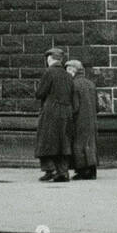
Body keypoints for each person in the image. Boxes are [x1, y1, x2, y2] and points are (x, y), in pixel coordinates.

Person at [35, 48, 76, 181]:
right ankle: (63, 172)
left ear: (50, 59)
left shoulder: (49, 72)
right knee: (63, 142)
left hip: (51, 111)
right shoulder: (68, 76)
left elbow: (40, 93)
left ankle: (49, 170)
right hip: (66, 112)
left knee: (46, 141)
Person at [66, 58, 99, 179]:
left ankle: (82, 171)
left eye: (68, 69)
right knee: (90, 144)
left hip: (79, 120)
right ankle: (92, 170)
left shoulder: (74, 84)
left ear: (73, 70)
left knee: (78, 144)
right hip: (91, 119)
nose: (67, 72)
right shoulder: (91, 84)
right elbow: (97, 105)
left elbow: (75, 106)